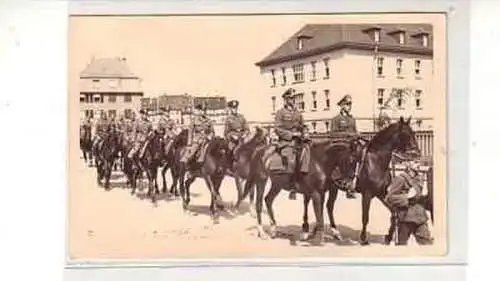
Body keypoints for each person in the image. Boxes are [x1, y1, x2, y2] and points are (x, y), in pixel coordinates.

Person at [385, 160, 433, 245]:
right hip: (405, 217)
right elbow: (389, 198)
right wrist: (406, 197)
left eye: (418, 162)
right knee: (402, 246)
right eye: (415, 162)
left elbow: (419, 197)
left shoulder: (419, 178)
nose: (418, 164)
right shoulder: (400, 179)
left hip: (419, 216)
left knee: (427, 244)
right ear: (408, 165)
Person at [274, 88, 310, 200]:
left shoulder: (298, 113)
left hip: (299, 141)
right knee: (291, 159)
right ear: (285, 99)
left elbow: (303, 126)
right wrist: (292, 134)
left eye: (294, 98)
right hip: (286, 142)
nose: (293, 100)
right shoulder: (280, 113)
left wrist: (306, 132)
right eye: (290, 98)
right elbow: (277, 128)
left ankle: (305, 179)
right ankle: (292, 186)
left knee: (309, 151)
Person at [329, 94, 360, 199]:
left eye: (350, 104)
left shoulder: (352, 119)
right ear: (342, 105)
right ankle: (345, 182)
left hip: (352, 145)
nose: (349, 106)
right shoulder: (336, 119)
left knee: (363, 153)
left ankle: (358, 179)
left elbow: (355, 132)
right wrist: (348, 135)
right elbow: (333, 134)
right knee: (345, 156)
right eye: (347, 104)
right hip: (340, 145)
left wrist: (357, 135)